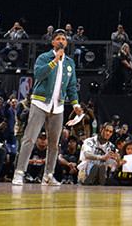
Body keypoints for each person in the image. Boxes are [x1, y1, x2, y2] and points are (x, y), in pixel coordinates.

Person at [12, 30, 83, 186]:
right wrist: (54, 61)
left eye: (63, 39)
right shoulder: (44, 57)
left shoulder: (70, 63)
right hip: (40, 102)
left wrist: (76, 105)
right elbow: (38, 74)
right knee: (30, 138)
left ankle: (48, 175)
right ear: (53, 42)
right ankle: (19, 173)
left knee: (54, 143)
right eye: (58, 39)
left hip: (58, 106)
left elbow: (71, 88)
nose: (61, 41)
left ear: (66, 43)